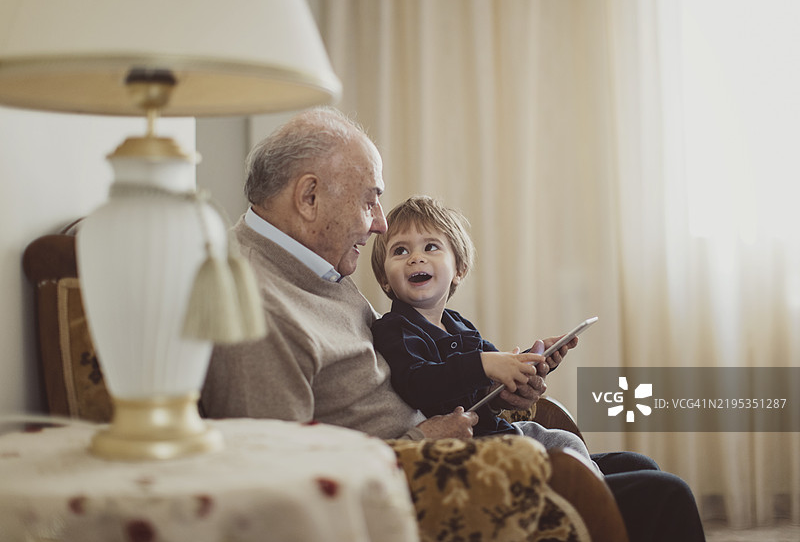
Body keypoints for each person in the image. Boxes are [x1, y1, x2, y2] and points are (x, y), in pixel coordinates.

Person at [201, 106, 705, 542]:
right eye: (369, 199)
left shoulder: (316, 264)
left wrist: (495, 388)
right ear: (309, 197)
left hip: (453, 446)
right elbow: (276, 483)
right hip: (423, 488)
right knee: (664, 497)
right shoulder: (254, 299)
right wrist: (424, 442)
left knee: (642, 470)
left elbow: (397, 371)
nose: (378, 222)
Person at [370, 195, 597, 470]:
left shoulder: (459, 325)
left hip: (502, 432)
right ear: (384, 279)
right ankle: (593, 500)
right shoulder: (393, 329)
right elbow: (419, 383)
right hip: (476, 451)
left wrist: (529, 363)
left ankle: (598, 491)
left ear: (459, 270)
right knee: (568, 460)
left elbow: (489, 382)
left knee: (569, 442)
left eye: (431, 247)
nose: (416, 258)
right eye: (400, 251)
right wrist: (484, 364)